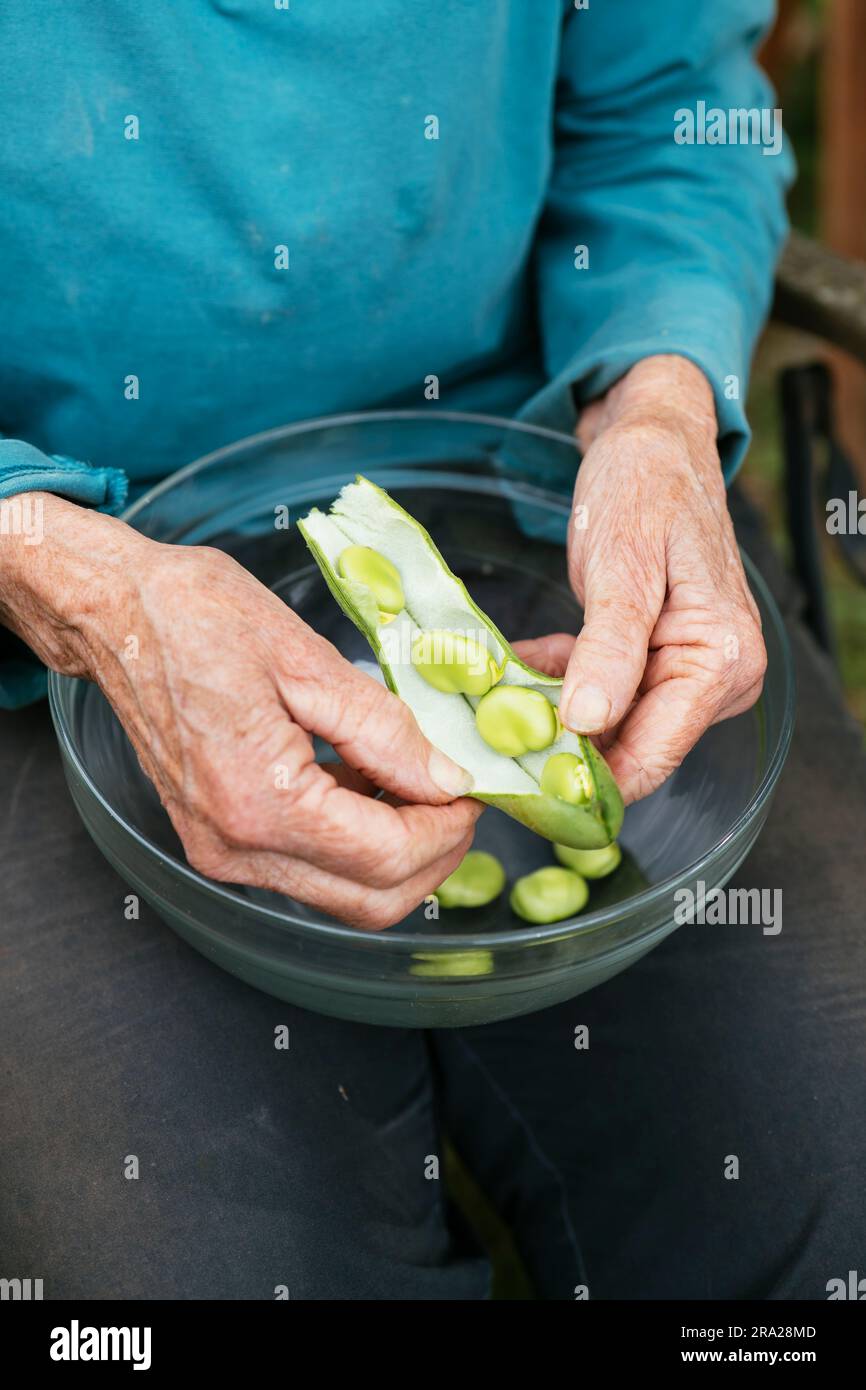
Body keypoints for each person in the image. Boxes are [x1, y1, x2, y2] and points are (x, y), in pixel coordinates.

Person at [3, 3, 863, 1301]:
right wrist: (65, 573)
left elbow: (669, 100)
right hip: (55, 589)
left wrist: (657, 399)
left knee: (835, 1185)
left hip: (539, 496)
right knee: (189, 1280)